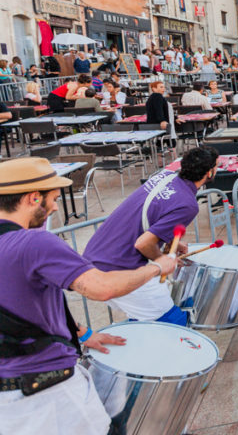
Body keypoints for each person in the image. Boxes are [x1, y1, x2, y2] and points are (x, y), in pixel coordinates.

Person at [0, 158, 178, 435]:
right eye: (53, 198)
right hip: (46, 394)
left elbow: (16, 304)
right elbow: (101, 287)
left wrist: (81, 333)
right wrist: (157, 266)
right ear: (33, 198)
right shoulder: (34, 243)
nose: (57, 206)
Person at [82, 147, 219, 324]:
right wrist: (163, 261)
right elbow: (143, 243)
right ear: (209, 172)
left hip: (96, 255)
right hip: (117, 266)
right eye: (217, 166)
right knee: (170, 322)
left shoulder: (165, 175)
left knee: (146, 321)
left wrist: (171, 240)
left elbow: (155, 213)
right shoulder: (188, 204)